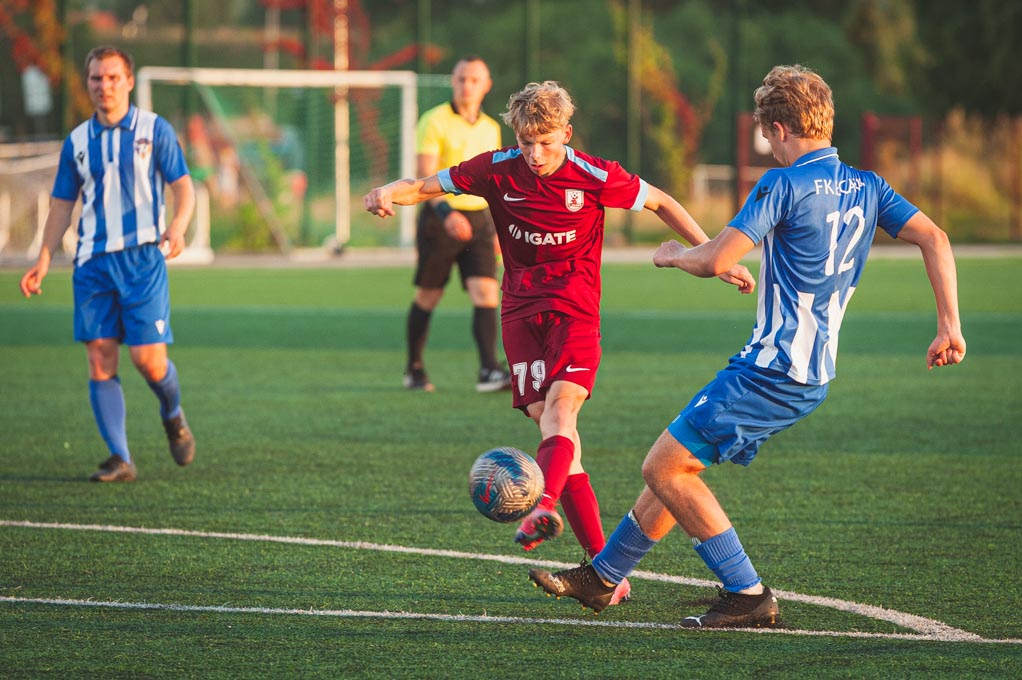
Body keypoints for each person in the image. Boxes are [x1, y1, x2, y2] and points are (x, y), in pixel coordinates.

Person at [527, 64, 966, 627]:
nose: (769, 147)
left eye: (767, 135)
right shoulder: (869, 185)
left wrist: (673, 255)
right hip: (809, 370)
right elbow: (935, 237)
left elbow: (715, 259)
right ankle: (604, 576)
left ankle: (747, 592)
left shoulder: (783, 185)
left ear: (779, 129)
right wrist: (949, 326)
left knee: (663, 467)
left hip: (773, 369)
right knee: (680, 462)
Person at [366, 81, 755, 606]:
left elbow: (661, 201)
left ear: (566, 134)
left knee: (561, 413)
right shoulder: (495, 169)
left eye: (546, 142)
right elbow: (423, 186)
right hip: (520, 312)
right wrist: (388, 191)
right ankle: (606, 572)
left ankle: (542, 506)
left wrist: (712, 254)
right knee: (553, 430)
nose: (535, 153)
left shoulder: (594, 174)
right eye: (526, 141)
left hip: (574, 310)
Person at [19, 45, 197, 483]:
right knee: (100, 356)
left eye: (113, 77)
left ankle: (172, 413)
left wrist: (177, 227)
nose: (105, 85)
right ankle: (121, 457)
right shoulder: (77, 141)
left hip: (142, 260)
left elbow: (183, 186)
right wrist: (43, 259)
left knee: (148, 361)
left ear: (129, 82)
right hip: (92, 263)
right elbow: (62, 205)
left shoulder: (154, 129)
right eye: (97, 78)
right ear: (88, 84)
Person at [404, 56, 511, 393]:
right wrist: (446, 214)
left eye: (474, 80)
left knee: (486, 291)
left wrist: (498, 228)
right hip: (440, 219)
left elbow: (495, 183)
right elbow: (424, 177)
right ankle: (414, 368)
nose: (467, 85)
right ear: (453, 81)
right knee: (429, 295)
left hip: (480, 220)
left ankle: (489, 370)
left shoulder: (490, 127)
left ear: (486, 85)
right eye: (462, 78)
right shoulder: (433, 120)